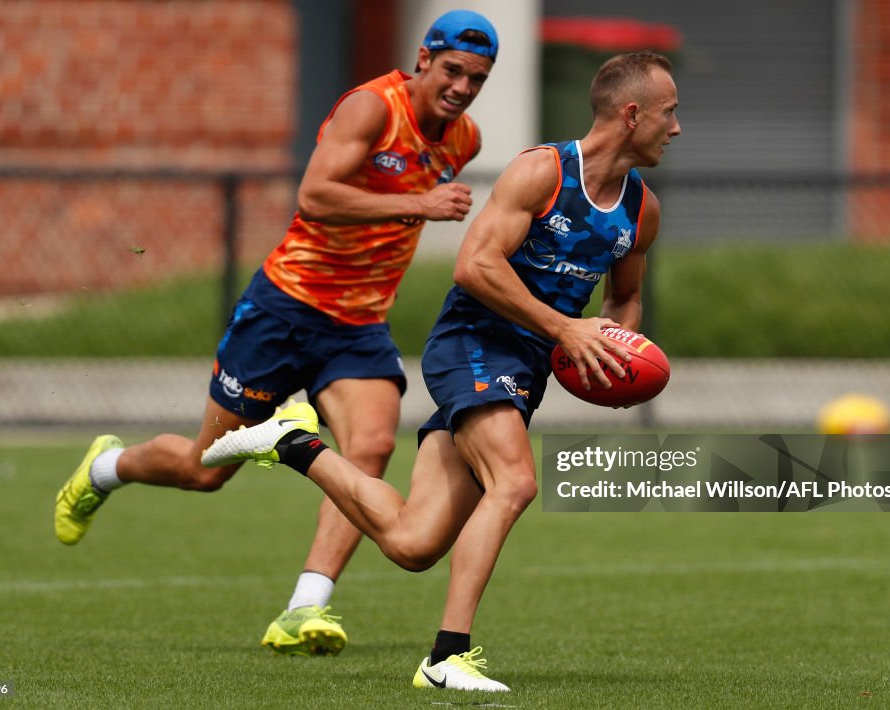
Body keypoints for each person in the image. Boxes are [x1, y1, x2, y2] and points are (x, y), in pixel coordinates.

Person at [202, 51, 681, 692]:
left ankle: (291, 440)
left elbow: (624, 301)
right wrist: (566, 327)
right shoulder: (542, 172)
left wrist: (615, 353)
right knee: (514, 482)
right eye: (669, 113)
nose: (675, 128)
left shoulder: (640, 211)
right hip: (473, 341)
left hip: (526, 366)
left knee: (413, 544)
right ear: (631, 114)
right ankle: (446, 658)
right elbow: (475, 267)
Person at [54, 10, 499, 657]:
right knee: (205, 471)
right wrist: (417, 204)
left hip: (359, 324)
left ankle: (305, 608)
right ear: (424, 60)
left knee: (371, 446)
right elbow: (316, 195)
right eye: (453, 70)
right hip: (284, 310)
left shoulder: (465, 141)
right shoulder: (372, 108)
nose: (462, 87)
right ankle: (103, 469)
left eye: (477, 78)